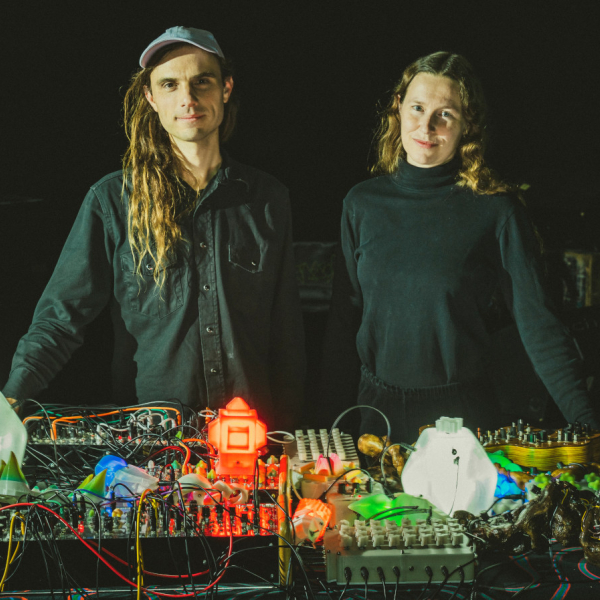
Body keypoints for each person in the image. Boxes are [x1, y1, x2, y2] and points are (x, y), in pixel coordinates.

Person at [3, 27, 305, 429]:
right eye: (170, 84)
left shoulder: (268, 198)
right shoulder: (112, 201)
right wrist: (11, 398)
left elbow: (286, 334)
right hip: (149, 440)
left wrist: (291, 430)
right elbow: (61, 317)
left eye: (202, 81)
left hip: (250, 437)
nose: (188, 98)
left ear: (226, 88)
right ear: (151, 98)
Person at [321, 51, 598, 442]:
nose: (427, 126)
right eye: (417, 108)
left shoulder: (495, 211)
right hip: (376, 420)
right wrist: (326, 430)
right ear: (398, 107)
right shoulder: (362, 203)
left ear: (468, 123)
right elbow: (343, 322)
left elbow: (540, 329)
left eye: (445, 114)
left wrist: (589, 430)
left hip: (462, 426)